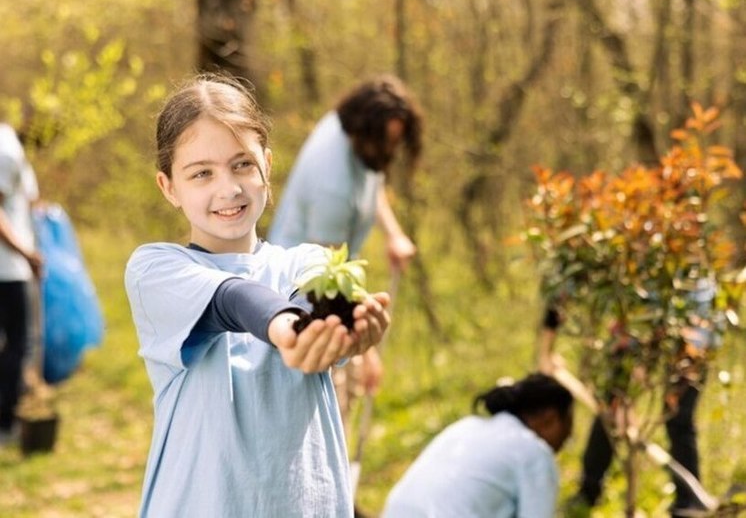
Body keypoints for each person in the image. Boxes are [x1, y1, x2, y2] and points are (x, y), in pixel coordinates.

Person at [124, 73, 391, 518]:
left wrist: (350, 328)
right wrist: (287, 329)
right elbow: (232, 299)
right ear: (168, 187)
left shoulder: (305, 260)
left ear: (267, 164)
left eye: (242, 164)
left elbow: (316, 295)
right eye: (201, 174)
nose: (227, 188)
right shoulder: (155, 269)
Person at [268, 74, 424, 431]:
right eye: (386, 144)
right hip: (302, 298)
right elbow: (329, 284)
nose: (390, 153)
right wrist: (366, 351)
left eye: (395, 143)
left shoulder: (351, 133)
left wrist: (394, 235)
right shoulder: (332, 185)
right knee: (328, 405)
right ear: (364, 132)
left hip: (328, 281)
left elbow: (373, 180)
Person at [538, 282, 714, 518]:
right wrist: (545, 352)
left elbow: (695, 325)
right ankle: (588, 492)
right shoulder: (620, 257)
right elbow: (564, 288)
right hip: (632, 331)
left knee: (679, 418)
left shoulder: (695, 274)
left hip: (690, 337)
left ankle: (690, 503)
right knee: (609, 408)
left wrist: (639, 375)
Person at [381, 372, 574, 518]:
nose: (568, 438)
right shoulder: (535, 452)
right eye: (567, 427)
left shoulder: (467, 426)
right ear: (550, 419)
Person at [0, 121, 43, 444]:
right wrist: (26, 253)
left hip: (13, 267)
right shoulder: (6, 148)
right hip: (7, 269)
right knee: (17, 344)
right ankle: (6, 422)